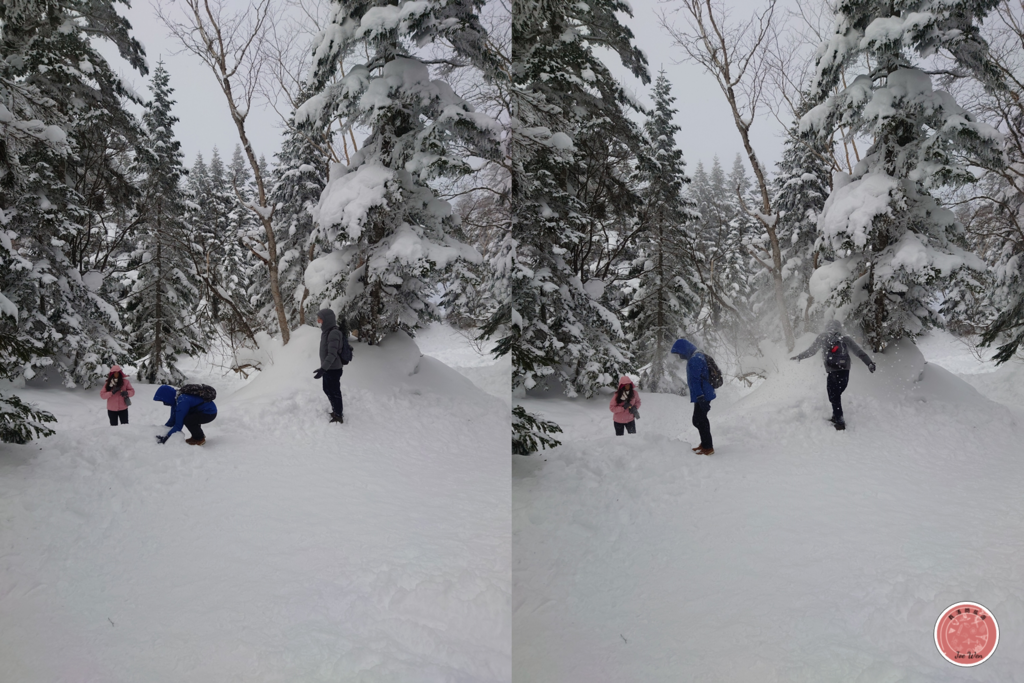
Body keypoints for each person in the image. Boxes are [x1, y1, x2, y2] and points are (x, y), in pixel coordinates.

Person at [790, 320, 876, 429]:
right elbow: (859, 352)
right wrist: (869, 363)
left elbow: (811, 351)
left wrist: (799, 357)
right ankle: (836, 416)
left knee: (833, 395)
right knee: (835, 394)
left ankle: (840, 422)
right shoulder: (846, 339)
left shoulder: (823, 337)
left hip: (832, 370)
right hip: (845, 370)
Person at [671, 338, 716, 455]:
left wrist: (700, 397)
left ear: (684, 350)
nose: (680, 356)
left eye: (680, 353)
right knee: (698, 420)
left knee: (700, 420)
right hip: (703, 393)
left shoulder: (695, 360)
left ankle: (708, 447)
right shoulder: (697, 356)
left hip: (703, 394)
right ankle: (705, 443)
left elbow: (695, 380)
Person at [314, 308, 348, 424]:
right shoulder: (326, 331)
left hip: (333, 369)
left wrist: (323, 369)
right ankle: (336, 410)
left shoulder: (333, 333)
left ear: (326, 320)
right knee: (327, 389)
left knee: (334, 391)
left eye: (320, 319)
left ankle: (338, 415)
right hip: (328, 368)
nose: (318, 321)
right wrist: (323, 368)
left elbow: (332, 354)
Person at [153, 385, 217, 445]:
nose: (164, 403)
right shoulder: (176, 398)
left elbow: (178, 425)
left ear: (167, 396)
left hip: (209, 413)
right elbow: (172, 419)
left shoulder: (182, 400)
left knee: (188, 420)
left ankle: (199, 438)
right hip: (201, 411)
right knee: (190, 417)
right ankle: (198, 436)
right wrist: (163, 430)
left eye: (163, 400)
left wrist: (166, 437)